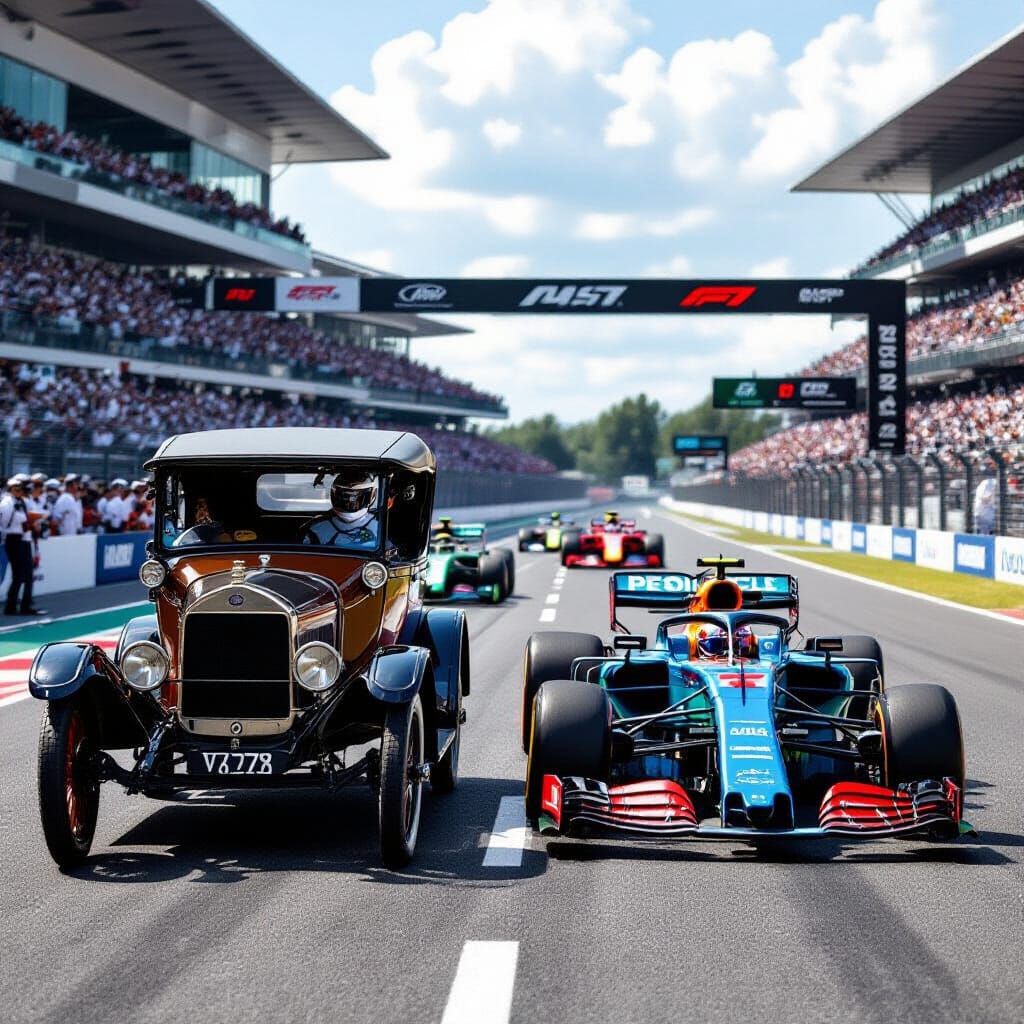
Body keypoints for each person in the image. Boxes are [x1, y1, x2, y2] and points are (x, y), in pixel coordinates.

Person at [302, 470, 380, 549]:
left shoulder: (380, 527)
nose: (349, 502)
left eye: (355, 497)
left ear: (371, 496)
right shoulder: (317, 528)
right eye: (344, 496)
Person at [1, 478, 41, 615]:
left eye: (21, 489)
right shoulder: (6, 503)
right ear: (10, 489)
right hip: (13, 539)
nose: (19, 491)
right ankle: (11, 606)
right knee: (18, 575)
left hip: (23, 539)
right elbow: (3, 523)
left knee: (27, 575)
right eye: (16, 489)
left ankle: (24, 605)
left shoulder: (21, 502)